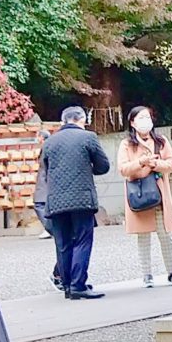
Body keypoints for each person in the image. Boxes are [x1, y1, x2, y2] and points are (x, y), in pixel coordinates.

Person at [36, 104, 111, 300]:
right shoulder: (88, 137)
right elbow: (103, 166)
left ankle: (68, 286)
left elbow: (45, 168)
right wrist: (87, 168)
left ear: (63, 121)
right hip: (81, 199)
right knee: (82, 240)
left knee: (62, 244)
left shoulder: (49, 142)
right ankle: (78, 284)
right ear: (82, 120)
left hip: (56, 200)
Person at [118, 105, 172, 290]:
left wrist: (156, 164)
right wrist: (141, 162)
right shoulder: (126, 144)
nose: (146, 121)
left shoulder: (161, 141)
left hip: (159, 194)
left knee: (165, 235)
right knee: (143, 237)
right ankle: (147, 275)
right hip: (139, 194)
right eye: (141, 118)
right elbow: (123, 169)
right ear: (132, 122)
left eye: (148, 117)